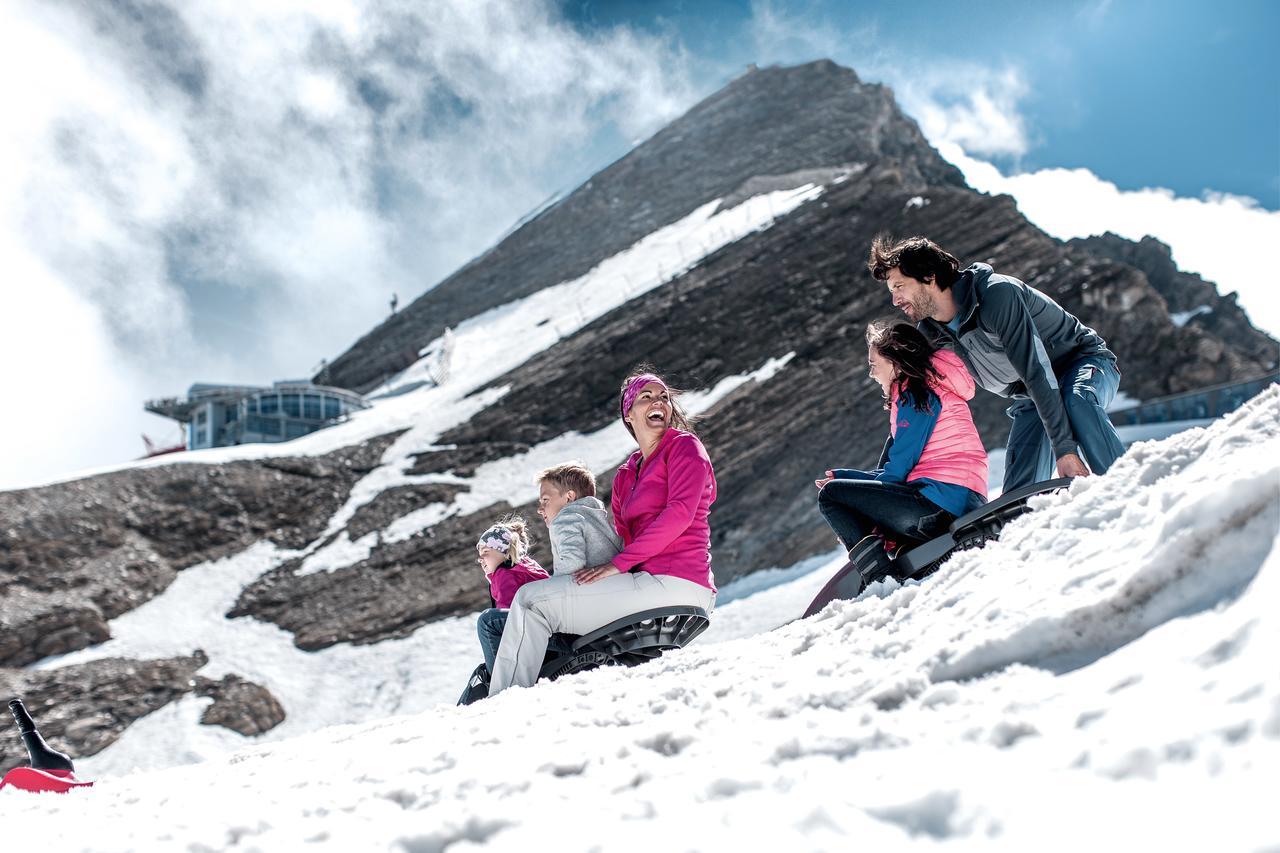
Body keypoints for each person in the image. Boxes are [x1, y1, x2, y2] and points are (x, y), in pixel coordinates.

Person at [488, 369, 718, 696]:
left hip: (679, 581)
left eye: (663, 397)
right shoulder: (627, 473)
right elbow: (621, 538)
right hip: (643, 584)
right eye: (646, 397)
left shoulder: (684, 447)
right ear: (629, 413)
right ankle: (542, 688)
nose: (659, 402)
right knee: (544, 606)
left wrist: (617, 566)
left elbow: (679, 513)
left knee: (529, 601)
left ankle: (502, 702)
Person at [869, 235, 1126, 492]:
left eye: (899, 287)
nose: (895, 300)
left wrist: (1065, 450)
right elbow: (912, 404)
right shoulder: (931, 333)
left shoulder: (996, 295)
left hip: (1082, 362)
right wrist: (880, 486)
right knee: (1018, 493)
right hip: (1032, 397)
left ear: (929, 277)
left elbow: (1036, 371)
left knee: (1077, 399)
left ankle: (1123, 486)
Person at [813, 321, 989, 598]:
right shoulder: (924, 393)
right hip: (952, 499)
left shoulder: (916, 396)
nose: (871, 373)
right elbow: (891, 471)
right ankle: (907, 553)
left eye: (874, 364)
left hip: (941, 503)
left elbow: (895, 474)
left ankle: (880, 578)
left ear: (895, 362)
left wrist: (845, 489)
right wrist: (849, 478)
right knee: (842, 492)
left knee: (831, 496)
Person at [474, 517, 549, 675]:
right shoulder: (524, 566)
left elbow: (508, 623)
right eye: (479, 556)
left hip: (537, 627)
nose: (481, 559)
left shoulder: (506, 573)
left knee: (488, 620)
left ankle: (498, 677)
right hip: (546, 620)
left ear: (504, 550)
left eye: (486, 552)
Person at [535, 461, 623, 573]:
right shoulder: (600, 518)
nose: (539, 509)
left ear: (569, 497)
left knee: (528, 590)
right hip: (618, 581)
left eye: (545, 500)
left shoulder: (564, 519)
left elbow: (573, 564)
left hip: (591, 586)